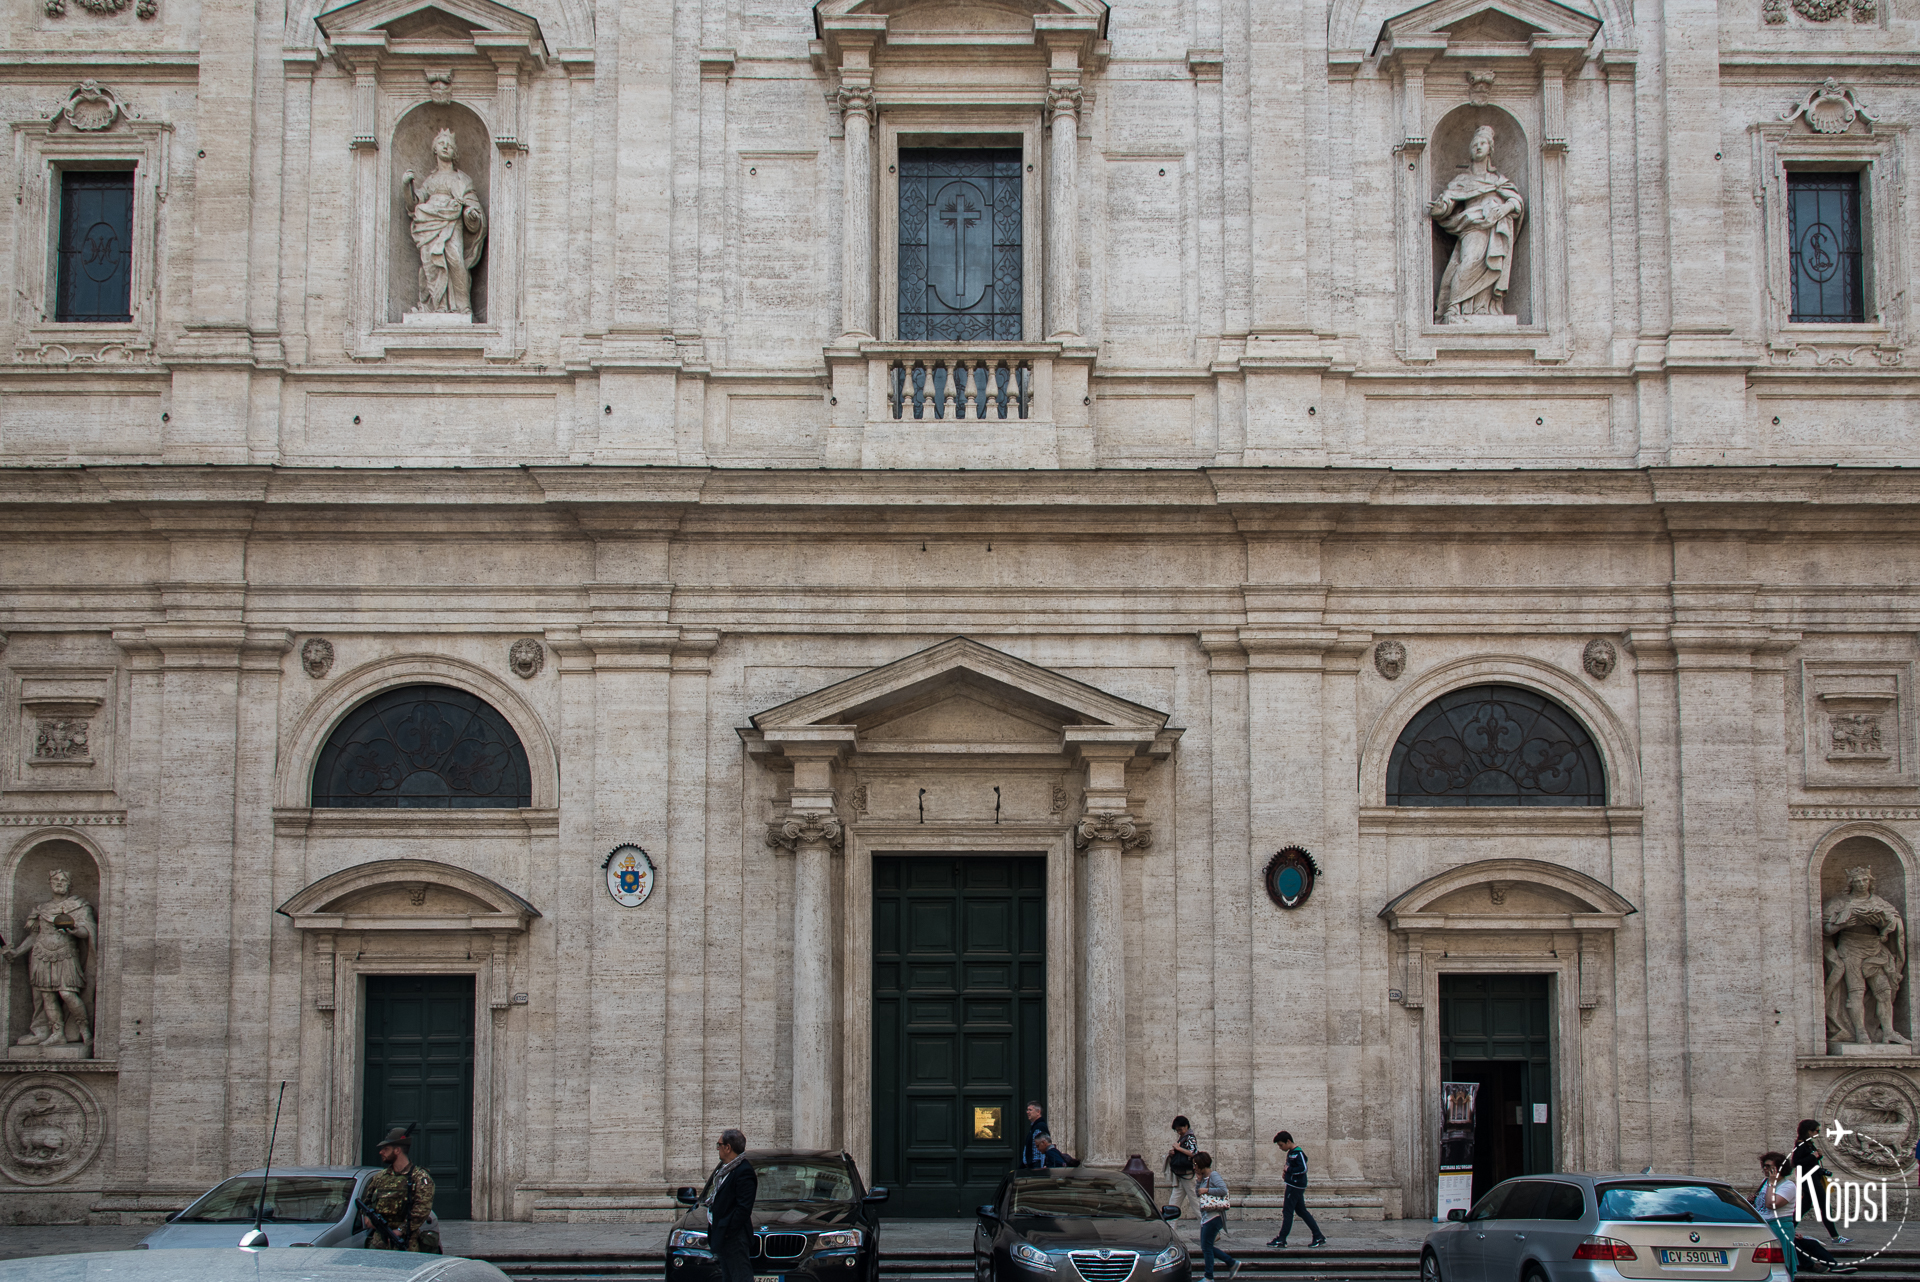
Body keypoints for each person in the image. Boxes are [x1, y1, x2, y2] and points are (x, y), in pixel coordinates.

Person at [1427, 124, 1525, 323]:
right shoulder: (1463, 179)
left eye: (1483, 144)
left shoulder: (1498, 180)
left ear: (1490, 149)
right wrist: (1440, 207)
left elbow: (1516, 202)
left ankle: (1485, 309)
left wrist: (1502, 209)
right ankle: (1453, 308)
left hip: (1494, 228)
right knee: (1469, 262)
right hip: (1472, 227)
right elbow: (1448, 201)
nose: (1478, 147)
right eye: (1475, 144)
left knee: (1488, 266)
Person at [361, 1127, 435, 1251]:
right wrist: (367, 1217)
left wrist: (400, 1230)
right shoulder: (380, 1178)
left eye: (386, 1149)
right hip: (379, 1243)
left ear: (397, 1150)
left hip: (405, 1242)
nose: (381, 1152)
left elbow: (422, 1210)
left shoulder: (419, 1177)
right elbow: (367, 1201)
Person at [707, 1129, 757, 1282]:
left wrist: (727, 1230)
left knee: (741, 1277)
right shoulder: (726, 1170)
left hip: (734, 1237)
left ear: (728, 1147)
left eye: (719, 1145)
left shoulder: (743, 1171)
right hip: (723, 1236)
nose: (718, 1149)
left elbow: (743, 1208)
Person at [1791, 1119, 1850, 1244]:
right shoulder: (1801, 1144)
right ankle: (1835, 1237)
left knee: (1803, 1208)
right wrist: (1813, 1156)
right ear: (1809, 1131)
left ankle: (1788, 1230)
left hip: (1813, 1178)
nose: (1818, 1133)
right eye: (1816, 1131)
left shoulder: (1808, 1143)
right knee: (1825, 1207)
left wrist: (1818, 1156)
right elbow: (1796, 1162)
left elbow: (1810, 1161)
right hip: (1810, 1180)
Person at [1268, 1131, 1325, 1249]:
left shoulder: (1297, 1153)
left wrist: (1289, 1170)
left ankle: (1282, 1238)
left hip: (1295, 1186)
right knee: (1301, 1211)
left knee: (1288, 1212)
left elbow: (1303, 1168)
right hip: (1293, 1184)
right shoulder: (1291, 1153)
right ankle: (1318, 1235)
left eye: (1281, 1145)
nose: (1280, 1148)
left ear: (1288, 1141)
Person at [1192, 1152, 1241, 1282]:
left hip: (1214, 1217)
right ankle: (1231, 1263)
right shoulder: (1204, 1178)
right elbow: (1199, 1194)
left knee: (1206, 1247)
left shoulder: (1213, 1176)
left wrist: (1207, 1190)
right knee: (1206, 1246)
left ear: (1201, 1164)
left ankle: (1209, 1277)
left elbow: (1223, 1190)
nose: (1194, 1167)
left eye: (1195, 1165)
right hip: (1207, 1217)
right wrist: (1198, 1182)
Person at [1755, 1152, 1798, 1277]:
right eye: (1764, 1166)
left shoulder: (1788, 1186)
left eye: (1769, 1166)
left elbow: (1771, 1204)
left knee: (1778, 1266)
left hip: (1778, 1227)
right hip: (1764, 1225)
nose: (1765, 1169)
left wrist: (1771, 1183)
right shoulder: (1765, 1182)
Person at [1165, 1116, 1199, 1219]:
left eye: (1180, 1129)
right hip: (1181, 1174)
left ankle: (1210, 1229)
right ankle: (1170, 1228)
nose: (1179, 1132)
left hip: (1187, 1174)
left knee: (1195, 1202)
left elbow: (1193, 1153)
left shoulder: (1190, 1137)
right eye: (1177, 1130)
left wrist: (1178, 1149)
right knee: (1174, 1202)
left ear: (1186, 1126)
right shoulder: (1183, 1137)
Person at [1020, 1102, 1050, 1169]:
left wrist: (1040, 1166)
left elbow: (1042, 1148)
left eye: (1030, 1110)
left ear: (1038, 1112)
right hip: (1032, 1164)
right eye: (1027, 1110)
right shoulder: (1034, 1127)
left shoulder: (1039, 1127)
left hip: (1036, 1165)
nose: (1027, 1112)